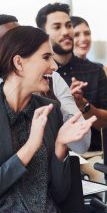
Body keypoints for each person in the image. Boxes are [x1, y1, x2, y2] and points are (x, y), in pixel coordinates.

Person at [0, 26, 95, 213]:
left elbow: (59, 195)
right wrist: (31, 146)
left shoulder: (50, 110)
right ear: (18, 63)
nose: (54, 66)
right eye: (46, 57)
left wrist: (61, 146)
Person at [36, 3, 107, 181]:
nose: (66, 32)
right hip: (50, 157)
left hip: (91, 155)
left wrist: (83, 104)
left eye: (69, 25)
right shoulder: (39, 75)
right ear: (42, 33)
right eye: (57, 27)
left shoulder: (94, 71)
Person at [0, 14, 91, 153]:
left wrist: (55, 107)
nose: (54, 66)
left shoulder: (51, 80)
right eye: (5, 41)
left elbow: (81, 146)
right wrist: (31, 146)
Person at [71, 16, 107, 96]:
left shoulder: (102, 69)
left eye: (87, 33)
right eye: (76, 35)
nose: (83, 38)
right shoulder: (58, 71)